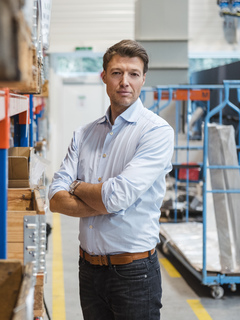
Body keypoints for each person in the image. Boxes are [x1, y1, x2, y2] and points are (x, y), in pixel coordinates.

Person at [48, 39, 174, 320]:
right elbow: (55, 198)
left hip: (134, 274)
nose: (125, 82)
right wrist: (106, 200)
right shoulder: (84, 133)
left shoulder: (156, 132)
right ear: (103, 77)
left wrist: (76, 186)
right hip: (88, 269)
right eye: (117, 73)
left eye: (133, 74)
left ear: (143, 79)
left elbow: (117, 197)